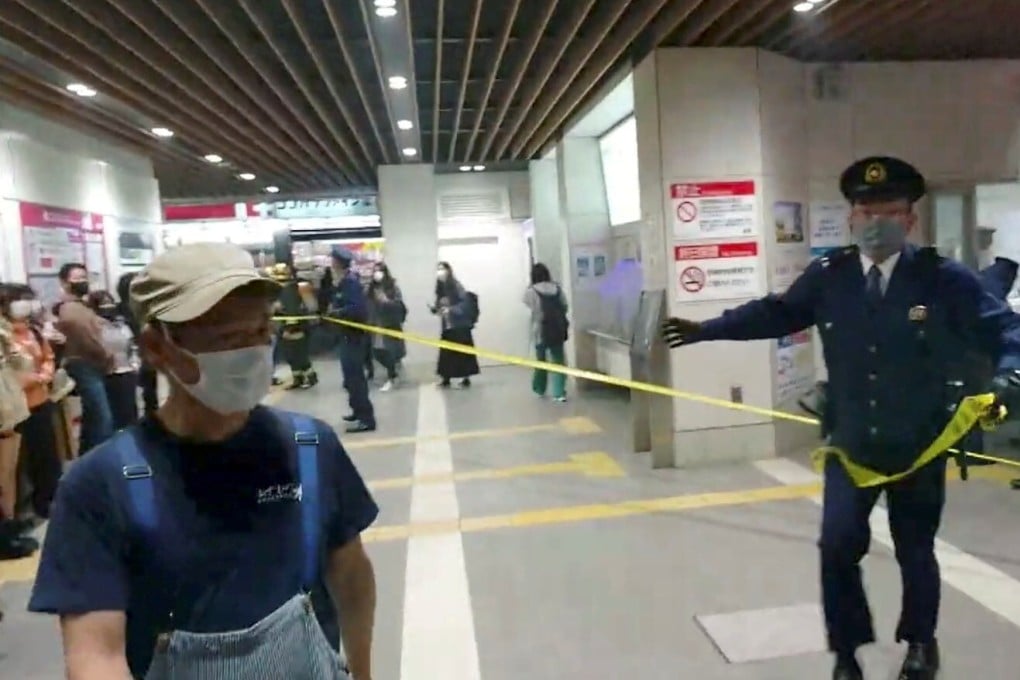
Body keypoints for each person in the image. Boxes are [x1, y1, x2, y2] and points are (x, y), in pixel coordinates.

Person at [661, 156, 1020, 680]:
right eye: (865, 210)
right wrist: (707, 329)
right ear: (851, 217)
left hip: (919, 441)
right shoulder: (831, 276)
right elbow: (778, 312)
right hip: (850, 443)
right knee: (836, 546)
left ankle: (921, 643)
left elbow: (1004, 329)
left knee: (916, 549)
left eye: (889, 211)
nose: (875, 221)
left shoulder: (942, 279)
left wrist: (1011, 375)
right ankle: (846, 653)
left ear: (910, 220)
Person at [28, 242, 378, 679]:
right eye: (229, 339)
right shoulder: (101, 484)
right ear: (157, 347)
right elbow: (96, 654)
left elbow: (350, 577)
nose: (253, 351)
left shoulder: (310, 448)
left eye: (261, 331)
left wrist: (362, 673)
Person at [4, 284, 61, 521]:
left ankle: (47, 501)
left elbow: (47, 356)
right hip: (12, 408)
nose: (26, 304)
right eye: (20, 300)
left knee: (45, 455)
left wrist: (46, 373)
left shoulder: (33, 331)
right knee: (12, 465)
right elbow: (6, 373)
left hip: (40, 400)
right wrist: (32, 379)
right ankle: (13, 513)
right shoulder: (4, 336)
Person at [55, 262, 114, 452]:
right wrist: (106, 355)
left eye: (84, 277)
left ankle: (88, 452)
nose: (82, 282)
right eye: (76, 278)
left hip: (90, 363)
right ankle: (100, 457)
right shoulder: (70, 309)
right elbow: (89, 339)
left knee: (92, 414)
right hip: (84, 363)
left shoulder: (82, 306)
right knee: (101, 416)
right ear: (64, 283)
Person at [327, 247, 375, 433]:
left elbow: (358, 309)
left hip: (354, 337)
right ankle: (357, 410)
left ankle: (366, 419)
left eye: (333, 259)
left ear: (338, 262)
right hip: (346, 336)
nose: (331, 262)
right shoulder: (342, 282)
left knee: (355, 378)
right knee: (349, 378)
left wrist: (337, 313)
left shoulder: (350, 283)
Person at [87, 289, 140, 430]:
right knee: (112, 414)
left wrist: (134, 364)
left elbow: (131, 345)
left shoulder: (121, 324)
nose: (108, 307)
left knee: (130, 411)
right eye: (103, 303)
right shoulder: (93, 327)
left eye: (109, 302)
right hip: (107, 373)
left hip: (127, 370)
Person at [523, 263, 570, 402]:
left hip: (540, 331)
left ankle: (539, 388)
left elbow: (528, 308)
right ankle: (559, 392)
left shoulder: (531, 291)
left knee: (541, 360)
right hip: (557, 329)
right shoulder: (557, 289)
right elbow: (565, 306)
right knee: (558, 360)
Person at [271, 263, 319, 390]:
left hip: (296, 327)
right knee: (291, 355)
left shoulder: (290, 289)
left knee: (299, 354)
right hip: (288, 327)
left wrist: (291, 329)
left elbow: (293, 310)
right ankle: (297, 378)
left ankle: (311, 377)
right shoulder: (286, 289)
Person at [431, 261, 480, 388]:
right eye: (438, 269)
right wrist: (436, 309)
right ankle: (445, 378)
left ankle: (465, 378)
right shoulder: (440, 289)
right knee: (446, 353)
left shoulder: (456, 286)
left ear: (448, 270)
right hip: (447, 325)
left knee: (462, 352)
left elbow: (465, 303)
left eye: (442, 269)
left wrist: (451, 309)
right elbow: (440, 305)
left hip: (459, 324)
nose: (440, 272)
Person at [119, 272, 159, 415]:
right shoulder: (124, 311)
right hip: (133, 356)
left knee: (147, 391)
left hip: (141, 355)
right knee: (145, 392)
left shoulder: (145, 309)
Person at [366, 262, 406, 392]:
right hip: (376, 324)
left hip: (390, 324)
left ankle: (392, 376)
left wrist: (386, 301)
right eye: (375, 271)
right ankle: (393, 372)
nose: (377, 274)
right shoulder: (371, 289)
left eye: (380, 271)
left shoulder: (393, 288)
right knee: (377, 352)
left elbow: (399, 305)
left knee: (389, 350)